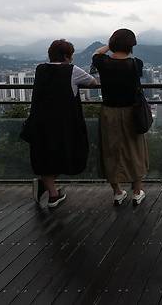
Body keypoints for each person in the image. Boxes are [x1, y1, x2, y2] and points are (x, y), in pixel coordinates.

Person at [27, 39, 97, 207]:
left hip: (40, 123)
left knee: (45, 156)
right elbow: (94, 82)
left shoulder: (41, 69)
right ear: (67, 56)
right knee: (63, 152)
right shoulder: (72, 71)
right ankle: (50, 191)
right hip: (64, 124)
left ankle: (52, 193)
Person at [92, 28, 149, 206]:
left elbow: (97, 52)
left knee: (110, 150)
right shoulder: (136, 64)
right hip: (132, 112)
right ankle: (137, 191)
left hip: (109, 112)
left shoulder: (102, 61)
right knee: (135, 149)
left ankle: (117, 192)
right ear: (131, 45)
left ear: (113, 43)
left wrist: (110, 45)